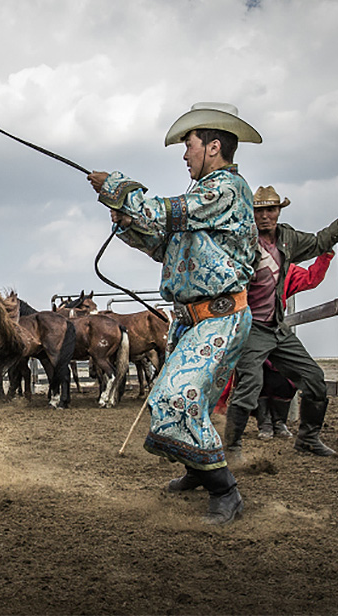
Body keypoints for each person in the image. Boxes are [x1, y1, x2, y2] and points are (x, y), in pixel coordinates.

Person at [87, 102, 259, 526]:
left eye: (189, 145)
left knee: (175, 398)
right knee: (187, 401)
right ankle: (197, 472)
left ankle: (225, 490)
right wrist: (129, 222)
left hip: (219, 317)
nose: (185, 155)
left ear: (213, 147)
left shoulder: (226, 189)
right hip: (191, 320)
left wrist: (119, 187)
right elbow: (163, 246)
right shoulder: (206, 202)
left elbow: (167, 211)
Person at [224, 185, 338, 458]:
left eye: (270, 210)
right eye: (259, 211)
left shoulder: (288, 239)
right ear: (251, 213)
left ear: (278, 211)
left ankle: (308, 438)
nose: (265, 216)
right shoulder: (242, 240)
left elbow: (319, 242)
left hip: (277, 328)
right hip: (250, 327)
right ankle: (232, 448)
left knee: (314, 378)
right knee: (249, 384)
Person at [254, 250, 334, 439]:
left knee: (286, 377)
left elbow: (310, 279)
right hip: (250, 329)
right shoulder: (245, 265)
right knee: (255, 375)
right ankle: (264, 423)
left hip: (275, 331)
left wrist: (325, 254)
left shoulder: (285, 269)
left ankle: (279, 422)